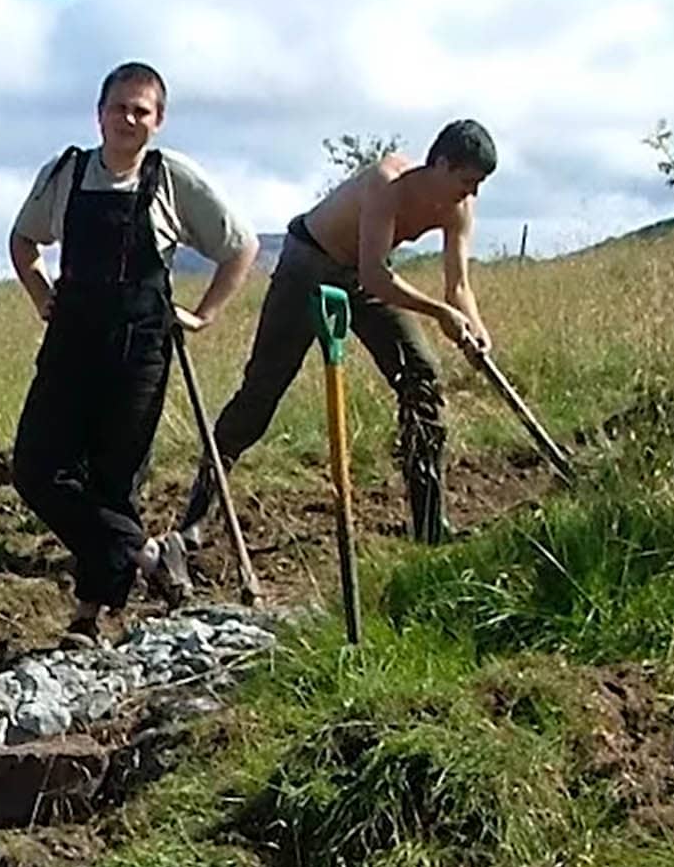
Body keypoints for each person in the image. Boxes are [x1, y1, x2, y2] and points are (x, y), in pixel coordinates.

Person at [8, 62, 259, 649]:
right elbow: (24, 242)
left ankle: (88, 619)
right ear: (99, 113)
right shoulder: (66, 172)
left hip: (140, 348)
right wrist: (43, 297)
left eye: (141, 110)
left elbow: (240, 247)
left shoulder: (172, 179)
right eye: (120, 107)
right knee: (36, 468)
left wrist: (205, 313)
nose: (129, 119)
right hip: (70, 344)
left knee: (115, 481)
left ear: (159, 120)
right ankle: (150, 554)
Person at [179, 119, 497, 547]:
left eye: (478, 184)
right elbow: (376, 273)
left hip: (360, 279)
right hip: (307, 265)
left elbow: (458, 285)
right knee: (260, 395)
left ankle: (429, 524)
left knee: (421, 374)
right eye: (466, 181)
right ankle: (195, 516)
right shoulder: (387, 182)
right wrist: (440, 314)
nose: (471, 193)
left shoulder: (460, 207)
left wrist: (474, 329)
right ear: (439, 164)